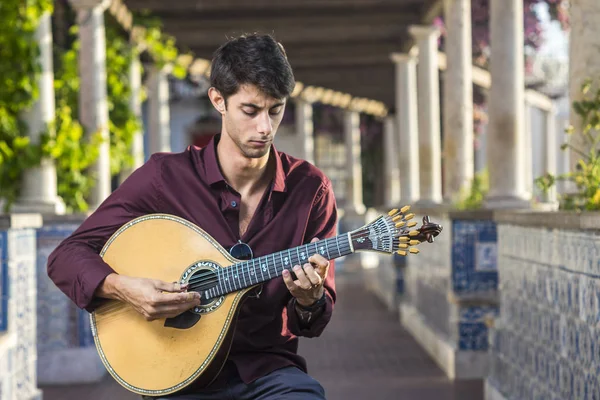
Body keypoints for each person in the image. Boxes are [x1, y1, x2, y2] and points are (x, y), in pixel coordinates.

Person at [47, 33, 337, 400]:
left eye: (275, 110)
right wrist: (124, 287)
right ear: (218, 99)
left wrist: (309, 300)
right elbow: (66, 257)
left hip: (268, 372)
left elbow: (311, 323)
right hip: (176, 374)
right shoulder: (164, 178)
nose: (265, 127)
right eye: (251, 110)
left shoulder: (311, 190)